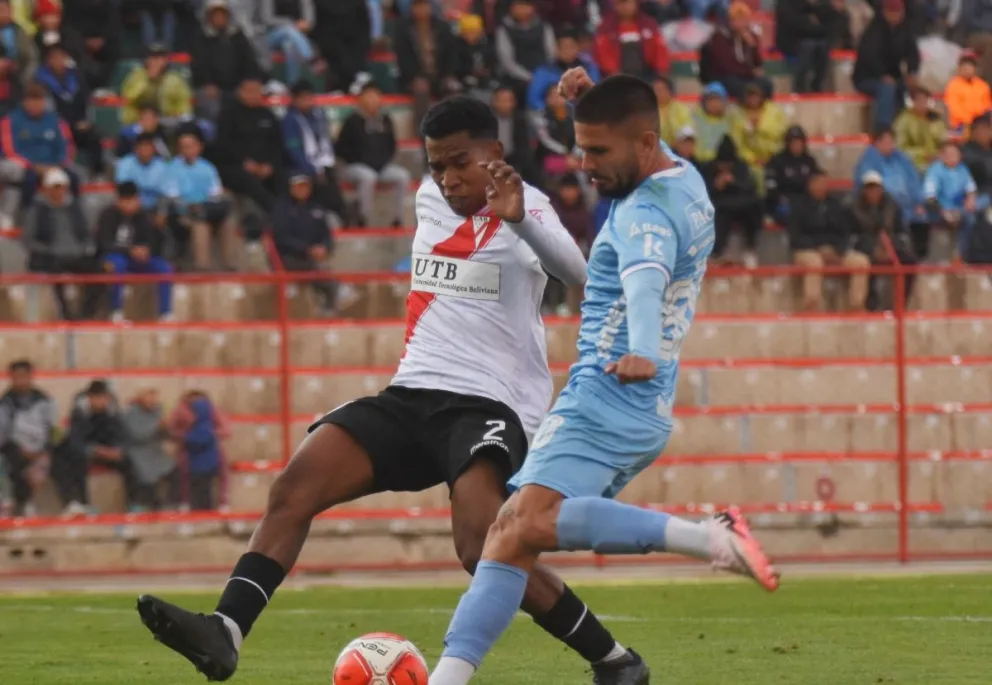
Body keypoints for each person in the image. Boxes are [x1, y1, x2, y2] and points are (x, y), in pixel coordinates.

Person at [136, 95, 651, 685]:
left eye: (461, 162)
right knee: (294, 485)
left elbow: (580, 273)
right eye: (436, 165)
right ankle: (226, 631)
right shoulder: (428, 199)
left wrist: (519, 220)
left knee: (482, 545)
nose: (448, 178)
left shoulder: (527, 206)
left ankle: (613, 660)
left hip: (489, 402)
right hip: (411, 393)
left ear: (496, 154)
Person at [425, 70, 777, 685]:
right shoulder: (683, 179)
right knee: (508, 538)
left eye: (597, 152)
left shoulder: (645, 214)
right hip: (640, 406)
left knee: (521, 525)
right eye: (580, 147)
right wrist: (579, 106)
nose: (585, 163)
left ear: (643, 145)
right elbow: (622, 116)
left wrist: (641, 348)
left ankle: (708, 538)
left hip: (606, 392)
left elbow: (643, 276)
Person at [23, 168, 103, 320]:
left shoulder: (76, 207)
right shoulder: (37, 209)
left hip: (77, 254)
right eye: (55, 188)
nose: (59, 191)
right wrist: (46, 250)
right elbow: (29, 239)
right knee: (55, 274)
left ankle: (85, 314)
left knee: (99, 272)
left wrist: (86, 247)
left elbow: (88, 232)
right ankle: (65, 314)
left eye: (61, 187)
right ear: (46, 189)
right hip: (50, 256)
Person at [790, 170, 871, 311]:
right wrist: (817, 248)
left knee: (861, 262)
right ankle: (811, 307)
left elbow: (844, 232)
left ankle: (856, 306)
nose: (821, 187)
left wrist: (838, 249)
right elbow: (795, 235)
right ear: (810, 185)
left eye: (824, 183)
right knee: (814, 262)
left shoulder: (836, 205)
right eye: (818, 183)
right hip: (807, 250)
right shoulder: (798, 206)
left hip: (835, 250)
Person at [97, 181, 174, 323]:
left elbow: (152, 242)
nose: (130, 204)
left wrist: (147, 248)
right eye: (126, 201)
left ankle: (166, 313)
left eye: (133, 200)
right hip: (116, 256)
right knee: (117, 265)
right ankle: (116, 311)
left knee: (164, 268)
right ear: (119, 201)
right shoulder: (107, 215)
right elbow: (104, 243)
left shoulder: (143, 216)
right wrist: (129, 250)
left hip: (137, 259)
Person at [335, 82, 410, 227]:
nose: (372, 100)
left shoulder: (386, 120)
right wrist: (365, 161)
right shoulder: (352, 121)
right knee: (368, 177)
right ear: (361, 99)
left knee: (402, 176)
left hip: (381, 167)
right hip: (354, 166)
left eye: (375, 96)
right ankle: (363, 219)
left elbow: (391, 146)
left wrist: (381, 162)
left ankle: (398, 219)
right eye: (368, 96)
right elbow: (341, 149)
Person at [53, 380, 131, 515]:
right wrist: (95, 450)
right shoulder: (80, 413)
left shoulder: (113, 413)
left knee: (130, 461)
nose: (102, 401)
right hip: (87, 452)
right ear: (90, 398)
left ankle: (134, 504)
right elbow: (76, 441)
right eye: (97, 398)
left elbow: (122, 435)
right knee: (70, 459)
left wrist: (118, 450)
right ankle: (79, 503)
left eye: (105, 397)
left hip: (108, 452)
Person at [165, 126, 237, 270]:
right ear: (179, 149)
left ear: (199, 147)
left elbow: (215, 193)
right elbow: (172, 198)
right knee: (200, 225)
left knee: (229, 223)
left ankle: (230, 268)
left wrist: (214, 204)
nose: (188, 150)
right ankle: (203, 269)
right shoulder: (172, 168)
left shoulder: (208, 167)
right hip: (184, 212)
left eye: (191, 146)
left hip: (207, 209)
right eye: (184, 147)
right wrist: (191, 207)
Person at [212, 76, 285, 214]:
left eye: (256, 90)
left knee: (284, 177)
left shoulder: (268, 115)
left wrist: (270, 165)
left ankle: (295, 214)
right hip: (236, 166)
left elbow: (277, 144)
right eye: (249, 91)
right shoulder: (228, 114)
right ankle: (278, 214)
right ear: (240, 92)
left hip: (266, 165)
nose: (253, 94)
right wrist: (244, 162)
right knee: (249, 181)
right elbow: (223, 144)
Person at [0, 82, 79, 207]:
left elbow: (66, 146)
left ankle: (73, 215)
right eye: (31, 100)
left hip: (53, 165)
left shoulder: (56, 120)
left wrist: (58, 164)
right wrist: (33, 166)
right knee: (28, 178)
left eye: (39, 100)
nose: (36, 105)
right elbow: (9, 150)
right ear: (24, 102)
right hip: (26, 166)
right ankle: (27, 215)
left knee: (74, 177)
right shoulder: (10, 121)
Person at [281, 80, 347, 223]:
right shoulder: (290, 120)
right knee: (316, 181)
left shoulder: (319, 116)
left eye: (309, 98)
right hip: (298, 166)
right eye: (302, 98)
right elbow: (294, 149)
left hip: (322, 162)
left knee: (332, 175)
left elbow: (326, 141)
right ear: (294, 99)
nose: (307, 102)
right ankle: (336, 214)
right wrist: (311, 168)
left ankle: (340, 213)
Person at [272, 173, 338, 314]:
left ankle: (330, 312)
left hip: (312, 258)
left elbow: (326, 234)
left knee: (323, 274)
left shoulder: (317, 208)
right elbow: (281, 238)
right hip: (289, 258)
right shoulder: (281, 209)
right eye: (298, 186)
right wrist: (307, 249)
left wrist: (324, 247)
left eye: (305, 186)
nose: (302, 190)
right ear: (291, 188)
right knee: (320, 272)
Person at [34, 42, 102, 175]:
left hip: (77, 125)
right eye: (55, 58)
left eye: (62, 57)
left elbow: (85, 103)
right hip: (55, 127)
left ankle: (97, 173)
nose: (59, 61)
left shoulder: (76, 77)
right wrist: (64, 124)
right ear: (48, 60)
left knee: (94, 135)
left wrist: (85, 121)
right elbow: (46, 111)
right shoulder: (41, 81)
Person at [0, 360, 57, 517]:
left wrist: (43, 450)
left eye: (24, 376)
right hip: (14, 448)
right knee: (11, 457)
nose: (21, 381)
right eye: (16, 377)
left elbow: (52, 430)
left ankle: (76, 504)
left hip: (41, 449)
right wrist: (22, 449)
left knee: (67, 453)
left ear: (31, 377)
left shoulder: (44, 401)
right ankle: (19, 503)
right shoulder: (5, 403)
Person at [853, 0, 921, 130]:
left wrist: (912, 72)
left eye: (898, 12)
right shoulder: (874, 30)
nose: (895, 16)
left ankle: (904, 126)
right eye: (892, 12)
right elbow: (870, 57)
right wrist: (882, 74)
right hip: (867, 77)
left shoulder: (905, 29)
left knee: (905, 88)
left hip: (893, 75)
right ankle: (883, 129)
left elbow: (913, 53)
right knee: (887, 88)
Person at [191, 0, 263, 122]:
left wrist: (248, 82)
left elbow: (249, 60)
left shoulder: (238, 36)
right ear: (209, 17)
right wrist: (207, 83)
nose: (219, 18)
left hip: (238, 86)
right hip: (210, 87)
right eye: (216, 14)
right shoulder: (201, 38)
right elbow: (199, 65)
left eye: (222, 14)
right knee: (210, 102)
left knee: (251, 97)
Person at [704, 134, 763, 266]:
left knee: (755, 207)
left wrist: (734, 182)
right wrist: (716, 186)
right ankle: (716, 253)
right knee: (720, 215)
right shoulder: (710, 168)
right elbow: (703, 193)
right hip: (720, 207)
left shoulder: (741, 167)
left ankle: (750, 247)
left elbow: (751, 188)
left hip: (741, 206)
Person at [699, 1, 771, 99]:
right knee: (739, 86)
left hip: (745, 76)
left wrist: (752, 46)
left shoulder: (751, 36)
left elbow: (758, 64)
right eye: (738, 19)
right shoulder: (720, 36)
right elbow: (727, 66)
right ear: (730, 21)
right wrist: (750, 72)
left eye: (744, 20)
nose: (741, 23)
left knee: (766, 84)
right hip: (723, 76)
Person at [123, 387, 179, 512]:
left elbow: (167, 435)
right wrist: (157, 426)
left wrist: (168, 428)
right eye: (149, 396)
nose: (152, 400)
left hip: (156, 452)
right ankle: (151, 504)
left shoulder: (158, 411)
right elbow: (136, 434)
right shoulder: (130, 413)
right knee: (145, 474)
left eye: (154, 396)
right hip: (138, 452)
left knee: (176, 470)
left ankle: (172, 503)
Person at [923, 141, 980, 260]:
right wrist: (944, 213)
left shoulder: (962, 169)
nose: (952, 157)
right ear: (942, 155)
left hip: (960, 213)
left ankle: (964, 257)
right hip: (940, 213)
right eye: (948, 154)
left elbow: (971, 189)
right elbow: (930, 196)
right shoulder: (935, 171)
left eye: (955, 154)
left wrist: (970, 199)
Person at [494, 0, 555, 103]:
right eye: (518, 6)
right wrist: (528, 77)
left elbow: (551, 54)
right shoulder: (503, 29)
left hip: (543, 75)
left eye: (526, 6)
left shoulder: (544, 26)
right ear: (511, 8)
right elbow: (507, 62)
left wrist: (541, 75)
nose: (522, 10)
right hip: (515, 79)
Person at [120, 42, 193, 127]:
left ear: (166, 60)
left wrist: (179, 115)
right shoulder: (136, 76)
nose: (155, 61)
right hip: (137, 120)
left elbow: (184, 103)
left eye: (160, 58)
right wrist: (148, 80)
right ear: (146, 59)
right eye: (152, 57)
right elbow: (128, 99)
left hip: (166, 120)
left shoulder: (175, 79)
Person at [528, 29, 600, 114]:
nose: (568, 51)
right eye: (564, 47)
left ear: (578, 47)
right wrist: (552, 111)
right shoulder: (543, 72)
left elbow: (596, 95)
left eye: (571, 47)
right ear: (556, 49)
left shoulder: (589, 69)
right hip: (551, 118)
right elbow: (534, 101)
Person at [593, 0, 670, 79]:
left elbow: (660, 52)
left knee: (660, 88)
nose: (626, 7)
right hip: (616, 77)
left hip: (647, 75)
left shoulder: (650, 25)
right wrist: (616, 75)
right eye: (622, 3)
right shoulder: (605, 27)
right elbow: (603, 55)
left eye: (629, 2)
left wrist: (661, 77)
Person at [764, 125, 821, 225]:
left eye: (799, 143)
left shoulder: (809, 161)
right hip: (784, 201)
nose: (797, 146)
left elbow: (816, 182)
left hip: (805, 200)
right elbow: (770, 186)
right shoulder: (777, 161)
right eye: (793, 143)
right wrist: (780, 199)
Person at [260, 0, 317, 86]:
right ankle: (310, 58)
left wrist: (304, 25)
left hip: (297, 37)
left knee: (290, 46)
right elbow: (267, 19)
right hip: (273, 36)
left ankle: (293, 84)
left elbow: (309, 21)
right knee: (288, 30)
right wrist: (291, 23)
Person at [115, 131, 171, 216]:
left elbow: (166, 194)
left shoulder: (162, 166)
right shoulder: (125, 163)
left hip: (155, 208)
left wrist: (161, 213)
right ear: (135, 148)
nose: (145, 149)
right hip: (131, 207)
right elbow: (124, 190)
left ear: (154, 148)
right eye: (142, 146)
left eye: (148, 146)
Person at [893, 87, 946, 173]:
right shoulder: (903, 121)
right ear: (912, 102)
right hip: (914, 163)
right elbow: (900, 148)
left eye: (925, 100)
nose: (922, 103)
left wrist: (939, 154)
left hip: (937, 160)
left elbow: (943, 140)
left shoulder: (935, 119)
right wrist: (923, 155)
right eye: (918, 100)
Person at [944, 51, 992, 134]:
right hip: (961, 125)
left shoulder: (982, 85)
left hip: (982, 124)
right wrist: (970, 122)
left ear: (975, 68)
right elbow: (954, 109)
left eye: (970, 65)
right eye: (964, 65)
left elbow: (988, 106)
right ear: (960, 67)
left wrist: (982, 121)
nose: (967, 68)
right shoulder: (953, 86)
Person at [690, 82, 736, 163]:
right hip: (696, 161)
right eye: (711, 99)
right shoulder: (693, 118)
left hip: (720, 163)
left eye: (718, 99)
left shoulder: (731, 120)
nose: (714, 104)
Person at [654, 75, 689, 147]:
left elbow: (687, 130)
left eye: (661, 90)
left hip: (677, 148)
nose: (658, 93)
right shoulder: (648, 109)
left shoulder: (680, 108)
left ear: (670, 91)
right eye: (655, 90)